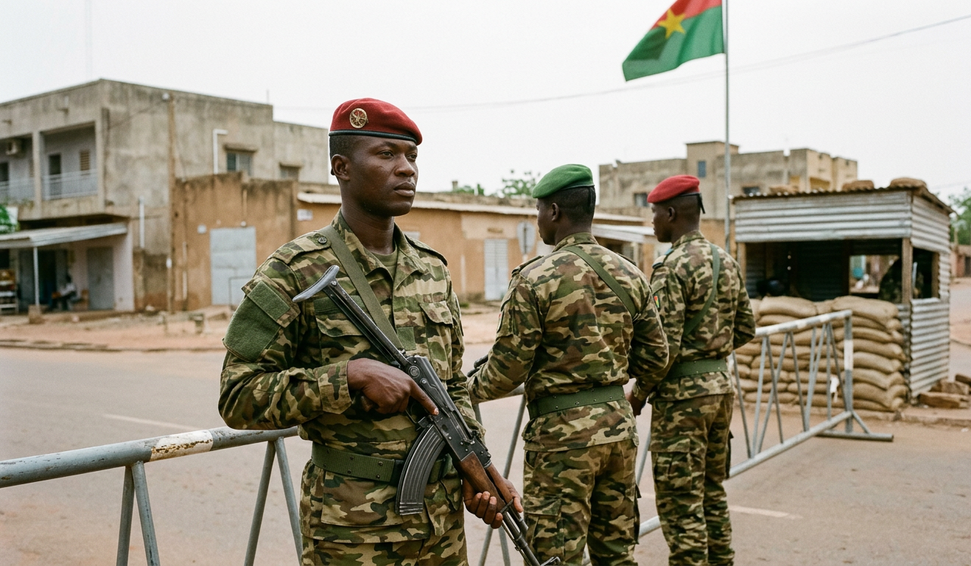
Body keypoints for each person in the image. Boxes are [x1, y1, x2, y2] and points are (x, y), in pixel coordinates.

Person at [218, 98, 515, 566]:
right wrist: (348, 377)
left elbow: (453, 386)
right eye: (386, 154)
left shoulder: (432, 270)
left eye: (411, 157)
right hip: (351, 529)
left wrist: (476, 465)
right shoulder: (292, 270)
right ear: (342, 168)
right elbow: (238, 396)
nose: (406, 169)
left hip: (441, 528)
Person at [467, 164, 670, 566]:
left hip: (562, 442)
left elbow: (507, 370)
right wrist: (626, 387)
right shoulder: (630, 274)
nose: (538, 219)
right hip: (618, 432)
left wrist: (466, 390)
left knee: (557, 556)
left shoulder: (534, 279)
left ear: (555, 212)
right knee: (617, 555)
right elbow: (656, 357)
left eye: (539, 210)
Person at [627, 175, 756, 566]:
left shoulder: (670, 267)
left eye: (654, 213)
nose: (652, 222)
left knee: (680, 502)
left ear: (671, 213)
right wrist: (710, 355)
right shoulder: (725, 261)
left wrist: (639, 393)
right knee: (711, 492)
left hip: (683, 402)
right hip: (720, 389)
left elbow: (661, 348)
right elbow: (746, 328)